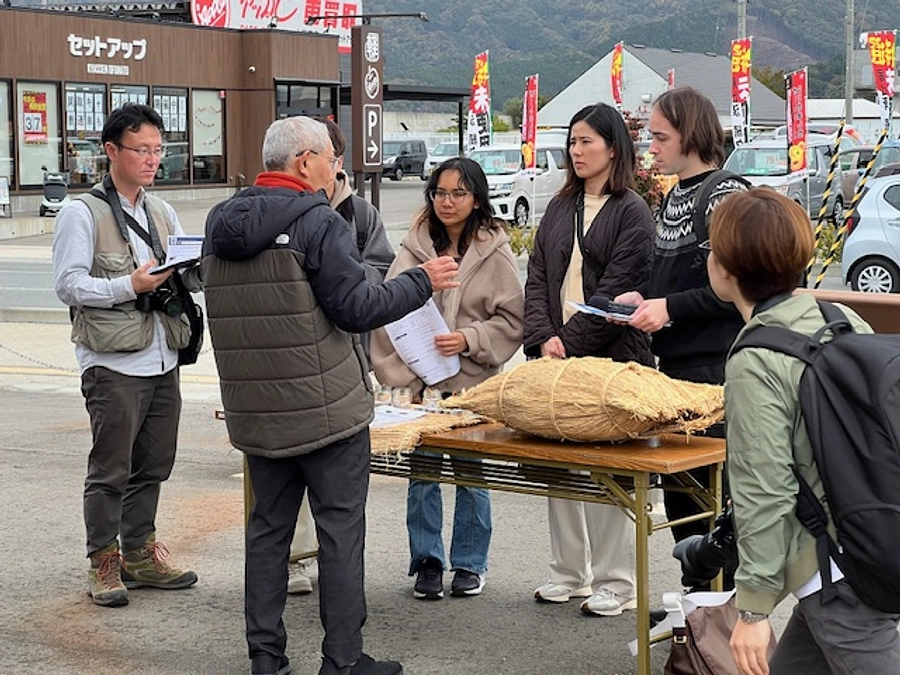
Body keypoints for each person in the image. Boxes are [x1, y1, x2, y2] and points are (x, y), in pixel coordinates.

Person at [201, 115, 458, 675]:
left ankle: (265, 657)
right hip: (327, 415)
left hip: (258, 414)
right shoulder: (319, 221)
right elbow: (356, 309)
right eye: (328, 158)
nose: (334, 167)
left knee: (267, 534)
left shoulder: (220, 222)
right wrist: (421, 282)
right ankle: (342, 661)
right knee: (340, 533)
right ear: (303, 163)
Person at [705, 188, 900, 675]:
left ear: (726, 269)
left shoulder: (756, 360)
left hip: (833, 570)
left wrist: (753, 609)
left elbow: (763, 489)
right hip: (874, 532)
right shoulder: (840, 317)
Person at [52, 103, 199, 608]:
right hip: (112, 361)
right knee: (110, 468)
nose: (153, 159)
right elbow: (68, 285)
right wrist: (127, 285)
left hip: (162, 354)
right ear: (111, 151)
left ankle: (139, 553)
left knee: (155, 463)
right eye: (142, 149)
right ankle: (103, 560)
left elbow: (177, 270)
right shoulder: (81, 211)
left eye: (159, 150)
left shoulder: (161, 211)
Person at [370, 157, 524, 601]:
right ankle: (427, 563)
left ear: (477, 198)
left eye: (459, 193)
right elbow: (385, 315)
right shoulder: (413, 247)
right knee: (422, 475)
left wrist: (470, 339)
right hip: (419, 389)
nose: (447, 202)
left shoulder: (495, 250)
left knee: (472, 474)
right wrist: (406, 377)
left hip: (472, 385)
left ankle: (471, 564)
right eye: (439, 192)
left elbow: (512, 320)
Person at [523, 103, 655, 615]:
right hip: (556, 358)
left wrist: (566, 342)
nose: (577, 151)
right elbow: (537, 275)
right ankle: (568, 572)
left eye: (587, 142)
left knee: (608, 470)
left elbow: (619, 291)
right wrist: (541, 337)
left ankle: (616, 583)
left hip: (613, 359)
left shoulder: (633, 211)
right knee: (560, 467)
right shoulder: (561, 206)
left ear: (613, 147)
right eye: (572, 142)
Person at [615, 86, 747, 553]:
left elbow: (738, 289)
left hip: (716, 373)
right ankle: (697, 610)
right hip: (673, 373)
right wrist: (645, 297)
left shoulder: (725, 195)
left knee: (718, 506)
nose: (650, 148)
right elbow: (674, 277)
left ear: (690, 134)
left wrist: (668, 308)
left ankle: (727, 613)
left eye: (659, 137)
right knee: (681, 502)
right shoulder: (672, 198)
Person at [286, 119, 395, 596]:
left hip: (348, 358)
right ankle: (293, 561)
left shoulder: (360, 214)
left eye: (335, 158)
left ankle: (337, 581)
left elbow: (381, 269)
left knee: (336, 486)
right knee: (291, 475)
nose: (331, 167)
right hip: (294, 361)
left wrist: (339, 283)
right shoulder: (281, 209)